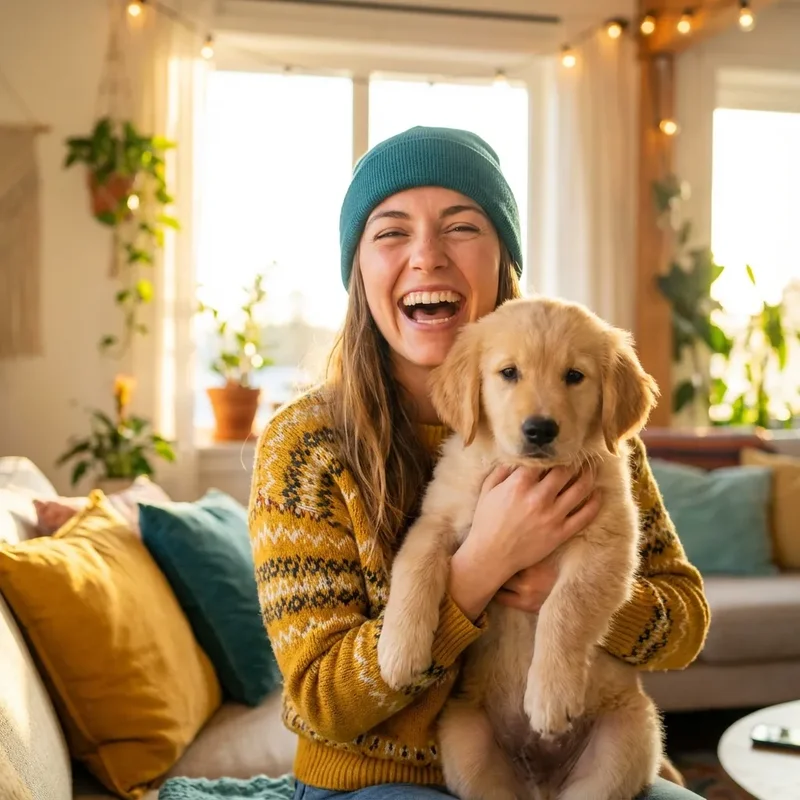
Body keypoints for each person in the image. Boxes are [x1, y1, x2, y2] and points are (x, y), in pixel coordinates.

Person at [248, 126, 710, 800]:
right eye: (391, 232)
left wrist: (565, 593)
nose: (427, 256)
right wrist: (482, 567)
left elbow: (683, 623)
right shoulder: (304, 446)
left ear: (502, 257)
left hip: (583, 740)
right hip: (375, 778)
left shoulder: (584, 422)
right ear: (358, 268)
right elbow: (323, 704)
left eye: (461, 227)